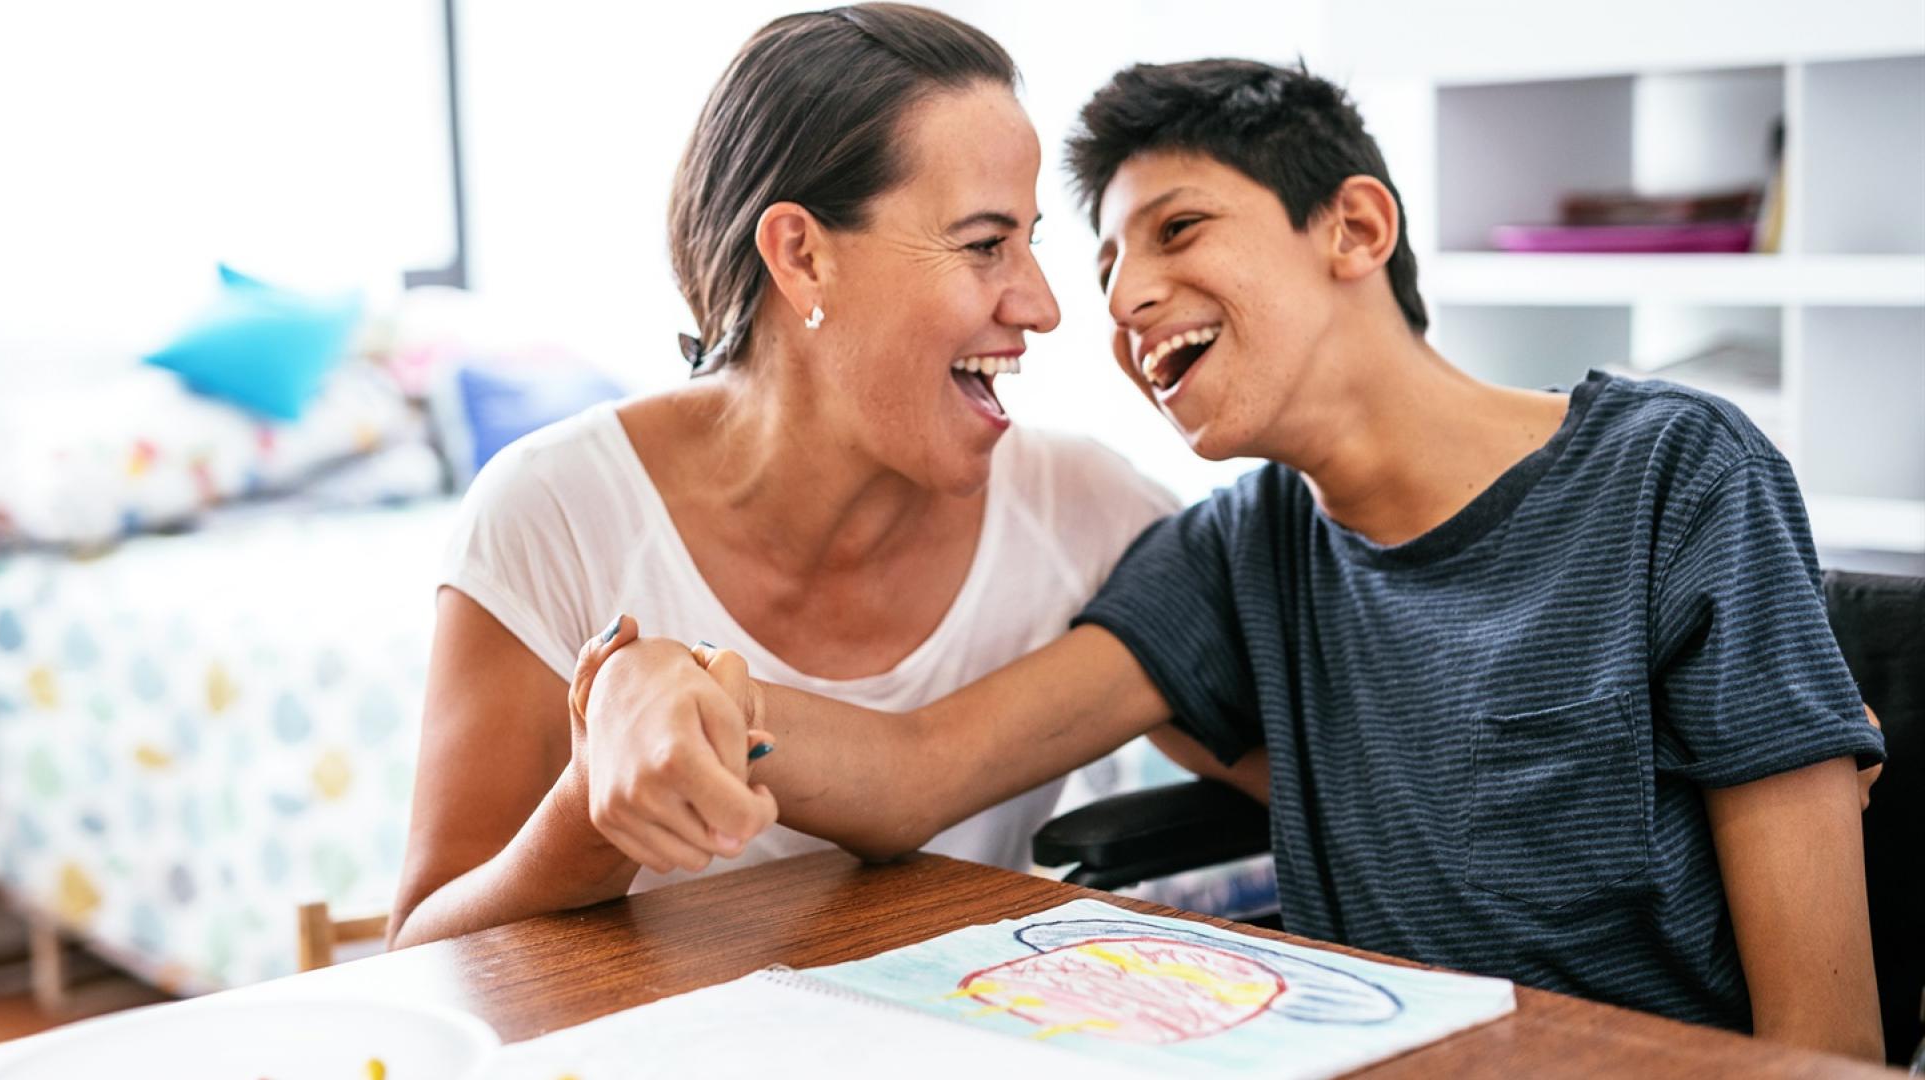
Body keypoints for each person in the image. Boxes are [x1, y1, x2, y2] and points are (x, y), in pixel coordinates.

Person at [575, 59, 1888, 1060]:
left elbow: (1826, 1051)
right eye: (1105, 267)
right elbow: (919, 771)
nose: (1124, 300)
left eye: (1179, 231)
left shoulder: (1675, 475)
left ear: (1355, 230)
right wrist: (675, 689)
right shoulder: (1245, 548)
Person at [384, 5, 1187, 950]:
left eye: (1030, 241)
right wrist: (594, 802)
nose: (1044, 306)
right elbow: (423, 959)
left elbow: (1290, 749)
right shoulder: (550, 515)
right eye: (982, 244)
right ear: (802, 255)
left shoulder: (1086, 510)